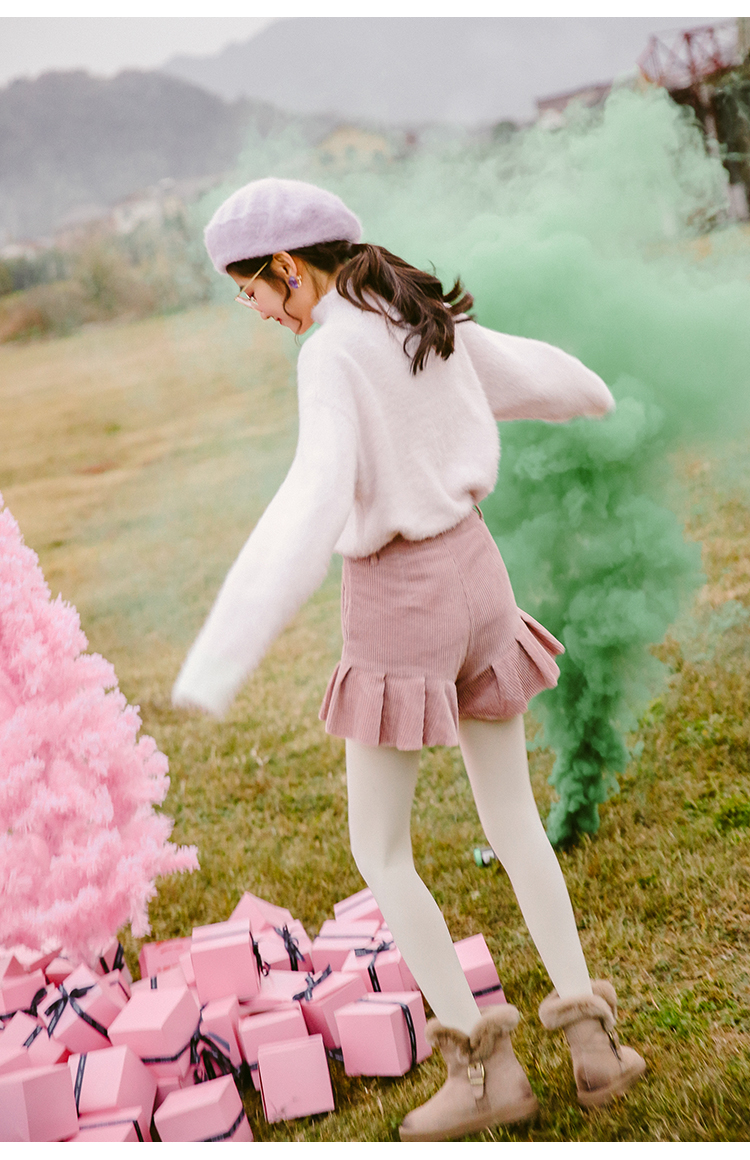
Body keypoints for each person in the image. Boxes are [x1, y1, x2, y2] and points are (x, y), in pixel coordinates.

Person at [172, 177, 646, 1141]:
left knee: (380, 849)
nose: (252, 308)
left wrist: (219, 658)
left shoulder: (330, 352)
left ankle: (483, 1075)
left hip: (400, 600)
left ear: (288, 267)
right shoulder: (417, 312)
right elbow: (538, 375)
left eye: (248, 288)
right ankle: (593, 1042)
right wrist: (598, 396)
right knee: (512, 816)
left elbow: (314, 498)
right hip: (480, 576)